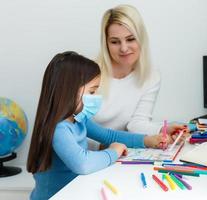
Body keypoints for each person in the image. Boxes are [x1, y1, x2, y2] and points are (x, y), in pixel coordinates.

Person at [26, 51, 170, 200]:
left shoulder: (79, 119)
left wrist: (147, 140)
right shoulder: (59, 129)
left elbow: (109, 135)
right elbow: (82, 164)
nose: (96, 98)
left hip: (74, 192)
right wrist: (113, 151)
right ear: (69, 90)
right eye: (92, 91)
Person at [95, 4, 188, 139]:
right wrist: (102, 146)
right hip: (89, 151)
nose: (124, 48)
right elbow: (70, 128)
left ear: (141, 38)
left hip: (120, 150)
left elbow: (136, 124)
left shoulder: (151, 76)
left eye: (130, 39)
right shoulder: (88, 74)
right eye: (115, 42)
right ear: (106, 44)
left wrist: (163, 129)